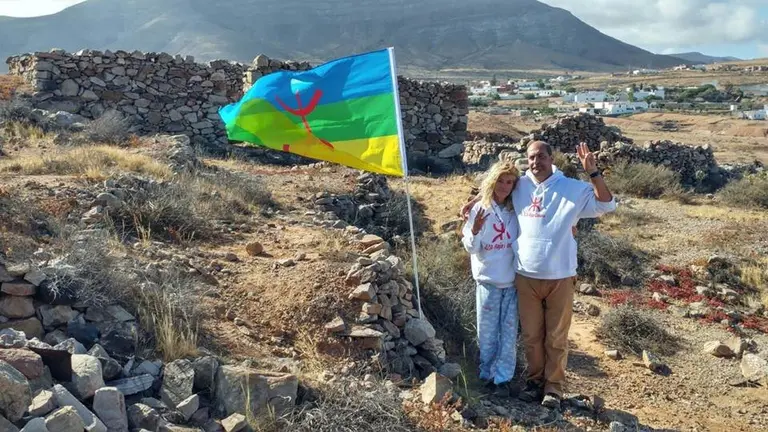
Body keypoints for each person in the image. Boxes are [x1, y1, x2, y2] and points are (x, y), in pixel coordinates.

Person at [461, 141, 617, 409]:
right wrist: (474, 201)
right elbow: (498, 188)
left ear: (551, 158)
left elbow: (607, 205)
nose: (536, 162)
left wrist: (593, 173)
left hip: (560, 276)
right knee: (531, 336)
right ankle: (534, 383)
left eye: (541, 157)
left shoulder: (571, 187)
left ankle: (553, 388)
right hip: (524, 276)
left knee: (556, 336)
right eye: (531, 157)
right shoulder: (521, 184)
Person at [461, 161, 520, 394]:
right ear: (492, 182)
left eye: (510, 182)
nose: (505, 186)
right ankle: (486, 375)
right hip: (488, 281)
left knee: (508, 334)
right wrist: (474, 230)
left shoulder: (516, 208)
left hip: (513, 282)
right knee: (486, 334)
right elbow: (470, 248)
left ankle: (503, 380)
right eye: (501, 181)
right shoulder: (480, 210)